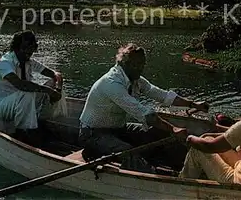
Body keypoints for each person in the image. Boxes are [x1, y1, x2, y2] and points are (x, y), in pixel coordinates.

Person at [78, 43, 209, 172]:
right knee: (128, 152)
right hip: (93, 134)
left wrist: (192, 104)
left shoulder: (135, 79)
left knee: (160, 133)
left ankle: (184, 167)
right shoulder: (112, 83)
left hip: (118, 129)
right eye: (136, 64)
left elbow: (162, 95)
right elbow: (145, 114)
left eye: (142, 64)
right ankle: (151, 176)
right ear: (124, 63)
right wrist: (173, 128)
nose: (140, 68)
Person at [0, 30, 63, 146]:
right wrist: (49, 91)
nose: (28, 52)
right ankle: (24, 130)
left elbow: (56, 75)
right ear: (17, 48)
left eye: (31, 48)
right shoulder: (5, 64)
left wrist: (57, 89)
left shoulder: (28, 61)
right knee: (27, 92)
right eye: (25, 48)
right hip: (1, 107)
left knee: (51, 83)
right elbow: (20, 84)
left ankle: (42, 121)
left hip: (22, 102)